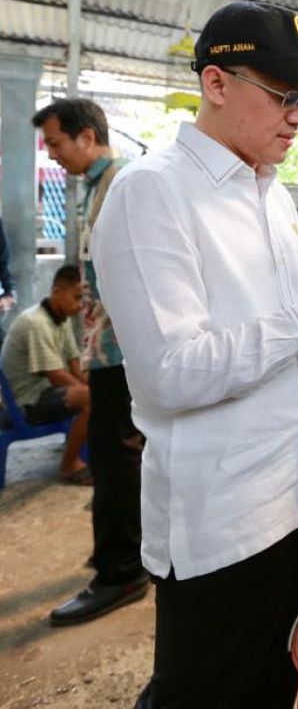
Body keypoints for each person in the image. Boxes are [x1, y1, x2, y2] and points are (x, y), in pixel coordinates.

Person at [91, 0, 298, 709]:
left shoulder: (274, 194)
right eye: (285, 96)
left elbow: (272, 328)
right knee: (206, 694)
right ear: (216, 83)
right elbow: (172, 373)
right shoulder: (153, 193)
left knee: (272, 687)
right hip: (224, 525)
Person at [31, 97, 150, 624]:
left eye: (56, 143)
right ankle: (126, 552)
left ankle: (121, 572)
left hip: (122, 350)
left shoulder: (121, 182)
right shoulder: (95, 185)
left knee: (114, 455)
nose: (53, 155)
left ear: (86, 134)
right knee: (119, 455)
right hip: (105, 346)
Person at [0, 265, 90, 482]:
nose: (79, 306)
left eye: (82, 300)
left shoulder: (61, 320)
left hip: (45, 393)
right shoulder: (35, 323)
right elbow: (56, 376)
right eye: (76, 297)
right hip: (24, 404)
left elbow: (75, 365)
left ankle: (86, 454)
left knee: (103, 393)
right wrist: (89, 391)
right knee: (92, 398)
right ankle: (69, 465)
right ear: (57, 292)